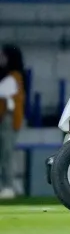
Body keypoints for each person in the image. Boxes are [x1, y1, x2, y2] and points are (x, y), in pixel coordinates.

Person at [0, 44, 25, 199]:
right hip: (6, 120)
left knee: (6, 154)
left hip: (7, 121)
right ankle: (11, 186)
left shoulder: (13, 77)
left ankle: (9, 187)